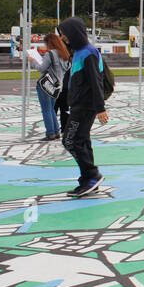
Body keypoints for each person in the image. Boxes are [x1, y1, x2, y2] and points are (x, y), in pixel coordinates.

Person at [57, 17, 109, 197]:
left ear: (73, 33)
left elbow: (96, 81)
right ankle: (88, 180)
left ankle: (91, 175)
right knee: (81, 140)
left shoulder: (89, 53)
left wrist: (100, 107)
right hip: (78, 105)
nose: (62, 38)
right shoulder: (78, 52)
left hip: (86, 107)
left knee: (70, 140)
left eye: (64, 34)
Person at [36, 32, 70, 140]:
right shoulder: (65, 54)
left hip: (46, 84)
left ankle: (50, 132)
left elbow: (41, 68)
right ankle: (55, 131)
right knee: (50, 108)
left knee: (46, 109)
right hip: (58, 85)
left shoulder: (50, 54)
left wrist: (32, 62)